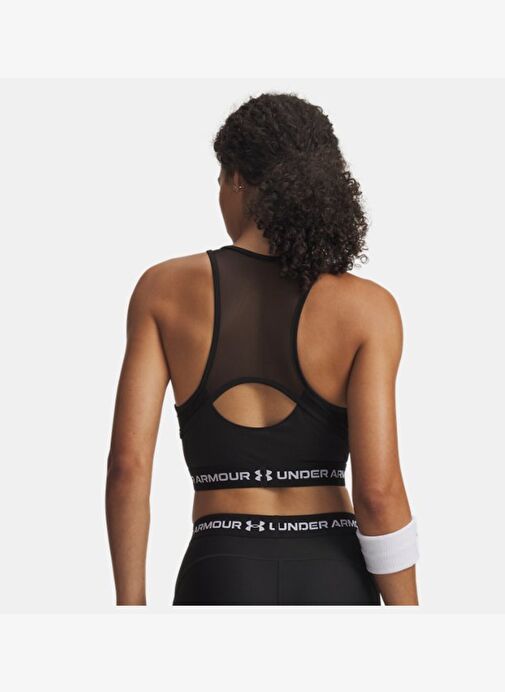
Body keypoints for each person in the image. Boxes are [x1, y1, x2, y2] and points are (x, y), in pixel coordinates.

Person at [106, 92, 419, 606]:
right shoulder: (367, 307)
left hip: (220, 569)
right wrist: (411, 621)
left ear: (237, 179)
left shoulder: (163, 290)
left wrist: (130, 611)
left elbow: (128, 466)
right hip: (332, 572)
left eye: (219, 180)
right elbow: (379, 494)